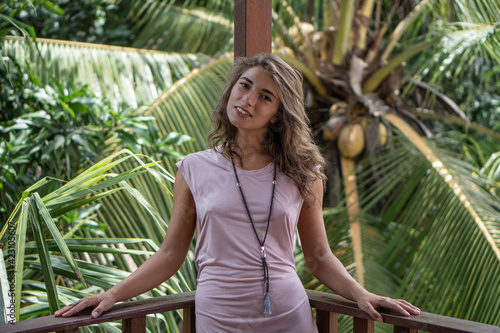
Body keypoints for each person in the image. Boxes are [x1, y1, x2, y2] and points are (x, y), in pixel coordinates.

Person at [55, 53, 420, 332]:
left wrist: (362, 294)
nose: (247, 99)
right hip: (219, 316)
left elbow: (320, 256)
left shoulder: (304, 173)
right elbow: (170, 254)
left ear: (278, 114)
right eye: (244, 86)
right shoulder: (194, 168)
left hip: (287, 315)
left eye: (265, 97)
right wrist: (112, 295)